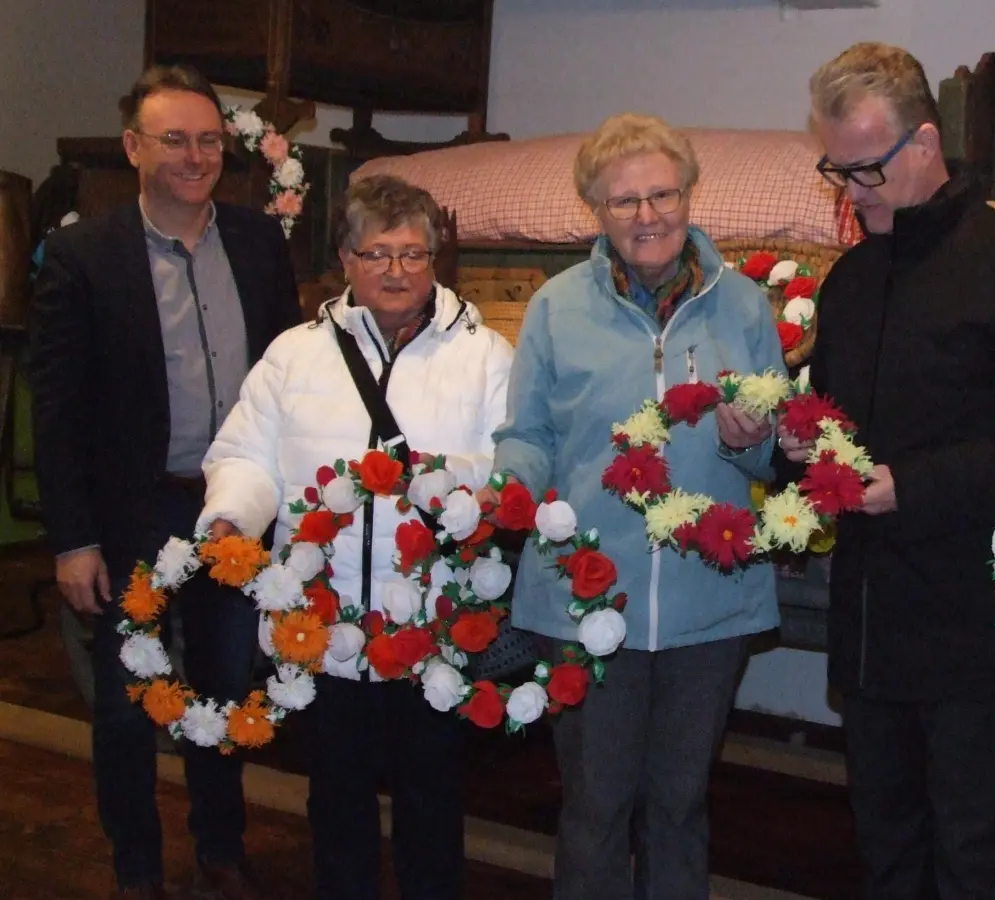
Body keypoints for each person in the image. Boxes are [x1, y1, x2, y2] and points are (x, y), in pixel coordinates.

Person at [782, 43, 995, 899]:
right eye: (837, 170)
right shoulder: (849, 282)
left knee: (969, 847)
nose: (851, 192)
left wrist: (912, 486)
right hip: (868, 616)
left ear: (924, 144)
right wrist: (799, 447)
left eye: (866, 170)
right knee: (883, 841)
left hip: (972, 611)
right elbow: (836, 426)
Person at [490, 112, 783, 898]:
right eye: (625, 201)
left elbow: (769, 458)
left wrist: (746, 439)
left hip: (709, 600)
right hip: (586, 595)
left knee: (681, 806)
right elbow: (528, 433)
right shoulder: (556, 307)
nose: (647, 216)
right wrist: (507, 489)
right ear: (596, 209)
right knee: (594, 807)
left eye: (663, 195)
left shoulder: (746, 307)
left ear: (690, 197)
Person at [198, 175, 512, 900]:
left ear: (437, 259)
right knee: (334, 800)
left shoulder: (485, 355)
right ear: (345, 259)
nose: (397, 271)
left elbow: (508, 465)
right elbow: (247, 455)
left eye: (413, 254)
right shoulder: (294, 355)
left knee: (432, 800)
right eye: (378, 254)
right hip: (323, 627)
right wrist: (231, 517)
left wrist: (437, 478)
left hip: (432, 628)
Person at [30, 64, 302, 900]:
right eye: (175, 139)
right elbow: (59, 409)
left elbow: (287, 378)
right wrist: (73, 539)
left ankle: (220, 852)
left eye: (209, 140)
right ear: (134, 147)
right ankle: (137, 870)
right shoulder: (83, 255)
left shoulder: (259, 243)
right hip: (130, 514)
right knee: (124, 708)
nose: (195, 156)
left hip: (230, 509)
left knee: (224, 692)